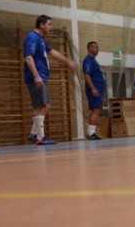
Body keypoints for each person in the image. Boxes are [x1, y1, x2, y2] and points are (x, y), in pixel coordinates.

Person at [24, 14, 81, 146]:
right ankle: (39, 137)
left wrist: (68, 61)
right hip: (37, 77)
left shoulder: (41, 39)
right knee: (43, 106)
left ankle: (34, 134)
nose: (51, 27)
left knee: (43, 106)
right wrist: (36, 75)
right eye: (49, 24)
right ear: (41, 25)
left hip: (42, 77)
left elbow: (53, 52)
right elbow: (28, 57)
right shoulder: (33, 37)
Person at [82, 41, 105, 140]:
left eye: (97, 47)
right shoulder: (88, 60)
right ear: (90, 48)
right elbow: (87, 76)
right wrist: (93, 89)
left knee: (96, 110)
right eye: (95, 47)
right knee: (96, 110)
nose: (97, 49)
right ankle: (91, 133)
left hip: (98, 88)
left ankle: (90, 132)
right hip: (94, 89)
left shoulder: (94, 61)